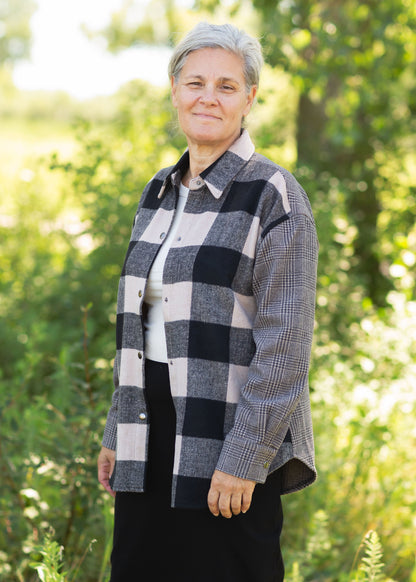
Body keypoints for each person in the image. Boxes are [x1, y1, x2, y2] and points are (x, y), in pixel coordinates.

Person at [98, 21, 318, 582]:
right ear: (174, 89)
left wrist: (244, 460)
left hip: (228, 431)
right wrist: (115, 431)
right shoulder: (159, 191)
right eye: (195, 82)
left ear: (250, 98)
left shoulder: (274, 194)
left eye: (226, 86)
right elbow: (140, 323)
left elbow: (286, 346)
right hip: (148, 427)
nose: (208, 98)